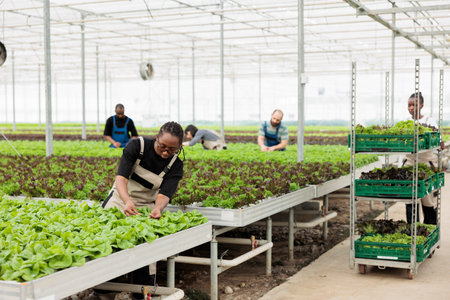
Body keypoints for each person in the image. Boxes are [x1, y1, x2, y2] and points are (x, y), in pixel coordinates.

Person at [100, 121, 184, 299]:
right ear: (156, 138)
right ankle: (103, 291)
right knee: (107, 242)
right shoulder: (137, 146)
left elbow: (164, 194)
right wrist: (127, 201)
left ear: (179, 147)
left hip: (147, 206)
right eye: (162, 146)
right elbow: (121, 179)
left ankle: (141, 293)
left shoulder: (176, 165)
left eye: (172, 149)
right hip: (120, 199)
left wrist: (158, 209)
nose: (165, 152)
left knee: (146, 249)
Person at [404, 92, 445, 225]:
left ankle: (429, 229)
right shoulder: (406, 123)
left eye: (414, 105)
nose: (411, 107)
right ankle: (413, 230)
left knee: (426, 197)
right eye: (409, 105)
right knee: (410, 198)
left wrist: (440, 142)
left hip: (426, 164)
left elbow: (439, 142)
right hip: (409, 164)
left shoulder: (429, 121)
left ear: (421, 105)